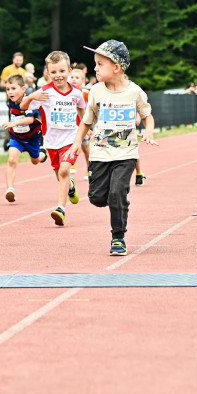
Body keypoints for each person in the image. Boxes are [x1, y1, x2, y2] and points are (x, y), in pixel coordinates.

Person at [69, 40, 155, 256]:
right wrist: (77, 142)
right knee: (97, 198)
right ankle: (116, 200)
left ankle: (118, 237)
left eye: (100, 64)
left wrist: (149, 131)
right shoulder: (96, 91)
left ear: (116, 67)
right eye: (95, 64)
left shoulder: (134, 92)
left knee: (117, 193)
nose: (95, 69)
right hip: (99, 153)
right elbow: (87, 121)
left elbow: (147, 116)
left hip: (126, 154)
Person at [19, 51, 87, 226]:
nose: (58, 76)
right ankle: (70, 187)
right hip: (51, 141)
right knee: (59, 173)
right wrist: (32, 96)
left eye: (62, 71)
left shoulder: (77, 93)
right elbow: (22, 106)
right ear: (48, 73)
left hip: (71, 139)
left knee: (64, 170)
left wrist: (87, 128)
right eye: (54, 72)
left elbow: (82, 110)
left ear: (69, 71)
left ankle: (60, 209)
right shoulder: (45, 92)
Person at [2, 73, 47, 202]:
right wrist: (13, 126)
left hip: (32, 138)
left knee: (36, 161)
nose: (10, 92)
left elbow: (30, 119)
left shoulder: (28, 101)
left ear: (23, 89)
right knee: (11, 160)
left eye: (13, 88)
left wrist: (14, 123)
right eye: (7, 89)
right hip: (17, 138)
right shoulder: (11, 102)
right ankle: (10, 189)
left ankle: (43, 153)